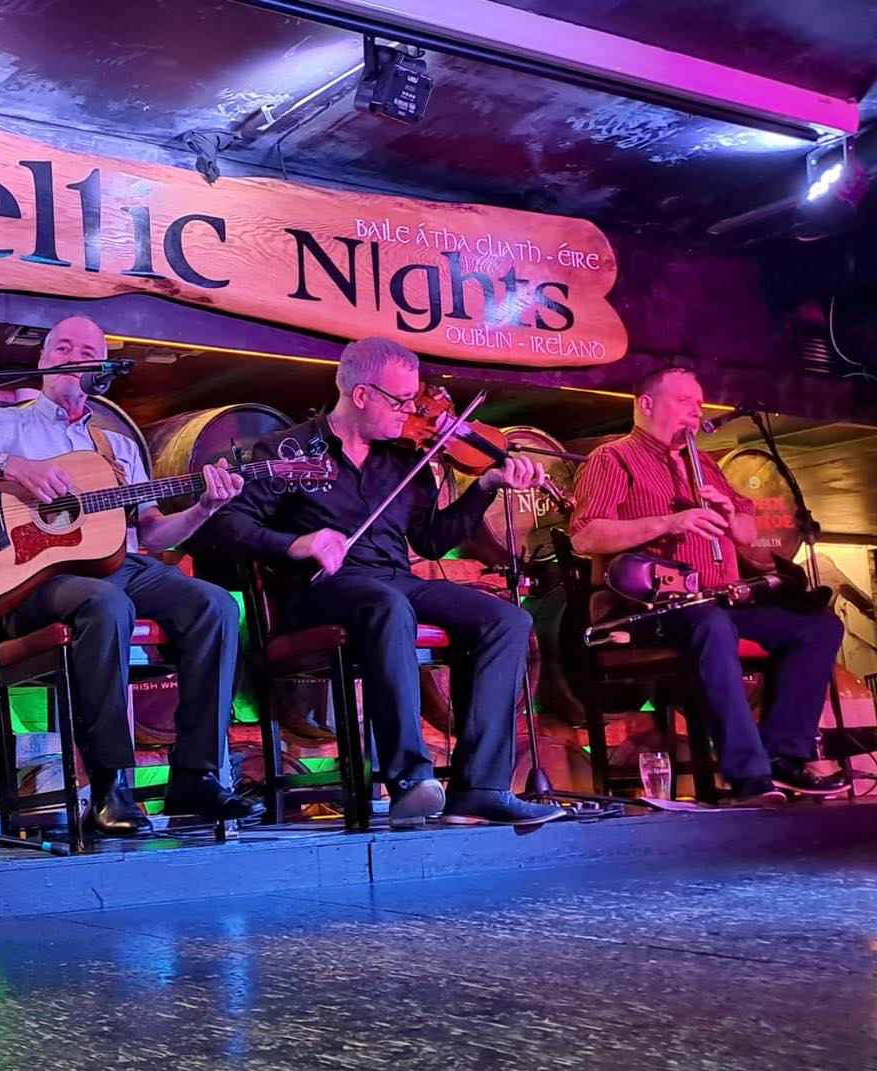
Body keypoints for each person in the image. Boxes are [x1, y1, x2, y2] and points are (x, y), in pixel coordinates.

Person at [0, 316, 259, 837]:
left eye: (86, 350)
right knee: (105, 604)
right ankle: (108, 784)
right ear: (44, 360)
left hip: (118, 564)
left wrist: (206, 507)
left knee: (214, 604)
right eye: (62, 347)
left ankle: (196, 774)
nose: (72, 356)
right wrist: (14, 469)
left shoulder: (116, 447)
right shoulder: (15, 424)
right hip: (33, 585)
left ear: (100, 367)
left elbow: (154, 533)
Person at [205, 337, 565, 828]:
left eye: (414, 400)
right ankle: (409, 780)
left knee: (507, 618)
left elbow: (433, 541)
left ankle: (479, 788)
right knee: (387, 605)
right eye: (400, 401)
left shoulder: (402, 461)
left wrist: (484, 488)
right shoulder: (288, 451)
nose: (410, 412)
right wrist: (298, 544)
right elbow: (228, 526)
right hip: (317, 591)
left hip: (394, 580)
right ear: (361, 395)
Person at [570, 365, 849, 805]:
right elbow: (585, 535)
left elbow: (745, 534)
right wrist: (670, 521)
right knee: (712, 626)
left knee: (818, 627)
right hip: (646, 607)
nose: (695, 413)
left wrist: (729, 513)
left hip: (718, 598)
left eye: (699, 405)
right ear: (646, 405)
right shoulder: (614, 458)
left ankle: (781, 753)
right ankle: (749, 778)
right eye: (684, 402)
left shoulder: (705, 465)